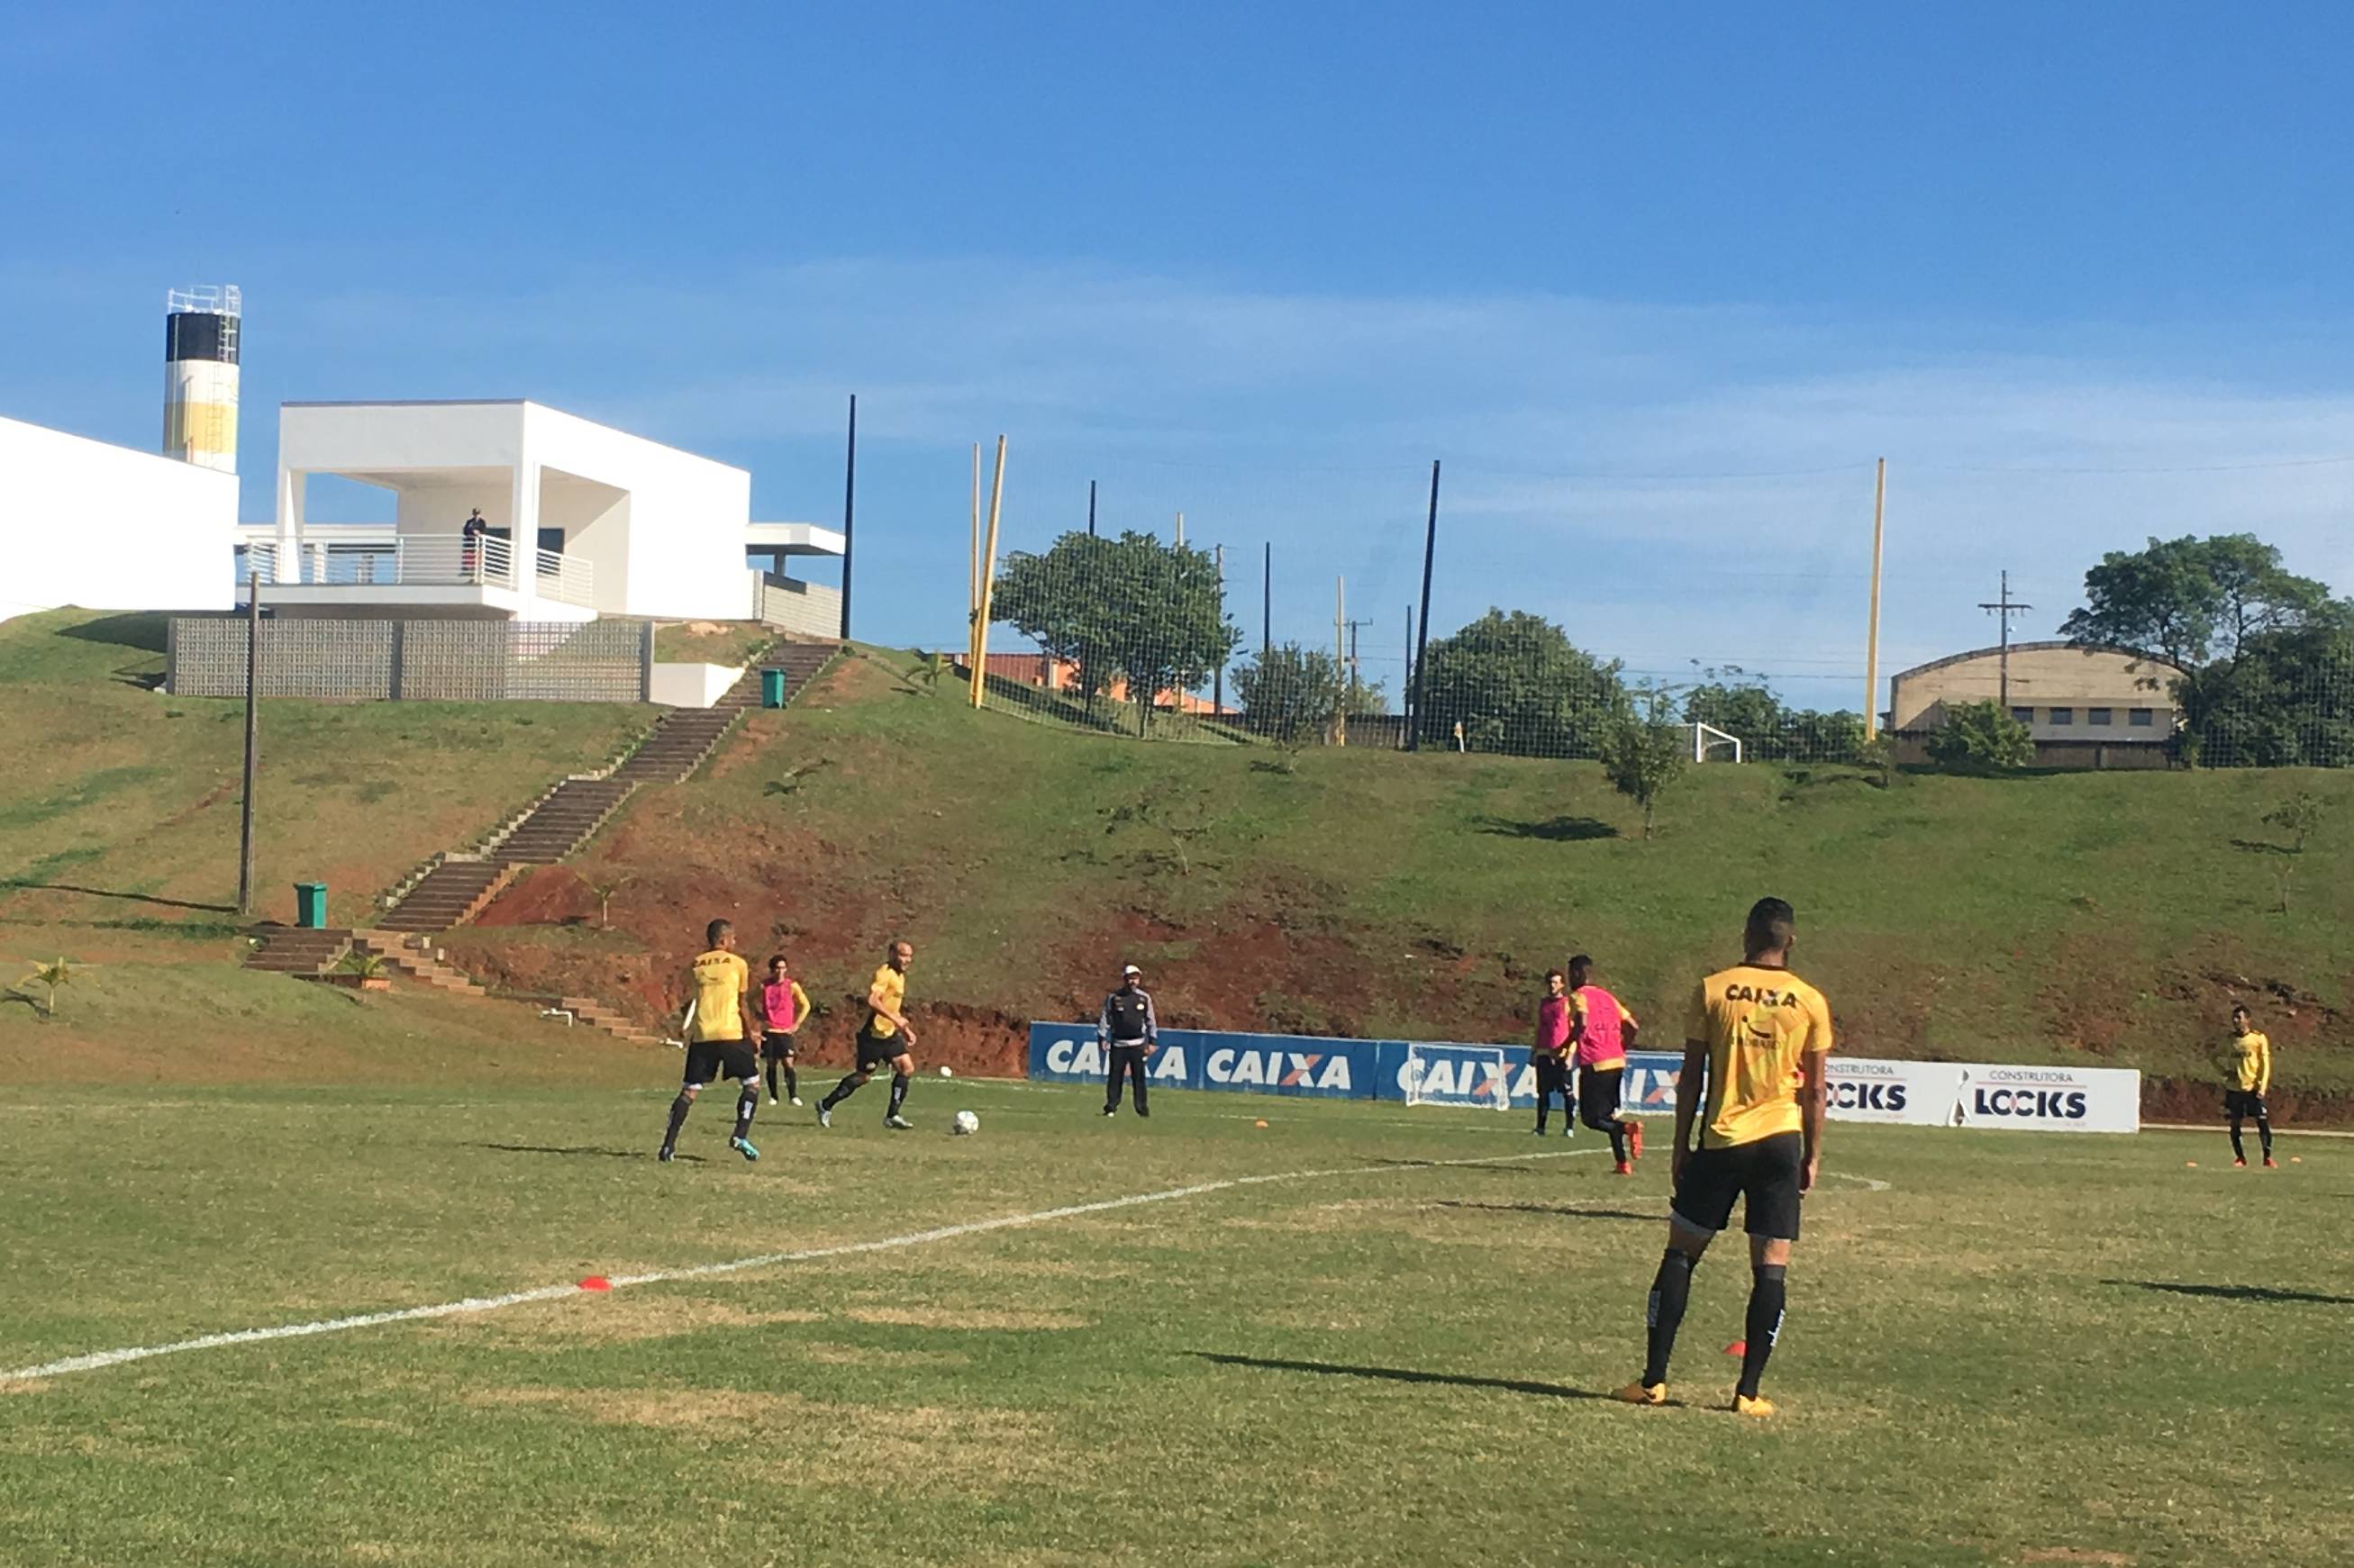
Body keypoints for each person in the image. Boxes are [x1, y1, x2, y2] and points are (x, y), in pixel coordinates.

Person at [1618, 897, 1831, 1418]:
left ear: (1746, 934)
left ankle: (1653, 1382)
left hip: (1721, 1139)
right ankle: (1748, 1393)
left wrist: (1680, 1144)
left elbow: (1692, 1075)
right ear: (1791, 941)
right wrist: (1812, 1154)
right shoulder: (1810, 1000)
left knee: (1681, 1254)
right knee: (1771, 1269)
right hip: (1781, 1140)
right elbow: (1817, 1089)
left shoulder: (1713, 989)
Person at [659, 918, 765, 1164]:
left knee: (689, 1090)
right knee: (751, 1084)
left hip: (703, 1035)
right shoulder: (738, 964)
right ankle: (740, 1135)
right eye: (733, 938)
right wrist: (752, 1035)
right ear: (723, 939)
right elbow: (740, 1005)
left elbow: (694, 997)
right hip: (731, 1032)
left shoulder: (696, 964)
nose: (735, 942)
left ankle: (668, 1145)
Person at [816, 938, 916, 1129]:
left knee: (906, 1068)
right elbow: (873, 1000)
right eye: (903, 955)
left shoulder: (900, 976)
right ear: (892, 954)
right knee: (863, 1077)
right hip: (874, 1035)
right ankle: (825, 1104)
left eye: (910, 956)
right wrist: (897, 1021)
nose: (907, 960)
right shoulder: (884, 973)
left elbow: (891, 1006)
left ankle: (892, 1116)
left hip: (890, 1034)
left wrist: (905, 1029)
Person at [1569, 953, 1645, 1174]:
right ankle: (1622, 1163)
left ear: (1576, 973)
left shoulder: (1578, 996)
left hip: (1595, 1062)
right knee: (1608, 1116)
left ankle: (1628, 1128)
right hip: (1617, 1061)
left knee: (1591, 1119)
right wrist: (1623, 1046)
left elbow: (1582, 1023)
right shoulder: (1607, 997)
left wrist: (1565, 1044)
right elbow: (1633, 1025)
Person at [1099, 963, 1159, 1119]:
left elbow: (1150, 1020)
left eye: (1136, 978)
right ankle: (1111, 1106)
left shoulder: (1144, 998)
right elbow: (1105, 1017)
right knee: (1115, 1077)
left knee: (1139, 1078)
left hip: (1137, 1045)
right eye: (1130, 978)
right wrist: (1102, 1037)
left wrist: (1152, 1041)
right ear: (1124, 979)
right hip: (1118, 1044)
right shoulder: (1114, 998)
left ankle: (1142, 1109)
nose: (1133, 981)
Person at [2223, 1003, 2276, 1169]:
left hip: (2253, 1089)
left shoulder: (2258, 1039)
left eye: (2239, 1017)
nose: (2235, 1020)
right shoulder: (2230, 1040)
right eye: (2234, 1017)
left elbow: (2265, 1064)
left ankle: (2267, 1157)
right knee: (2235, 1123)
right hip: (2234, 1089)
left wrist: (2262, 1086)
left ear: (2248, 1020)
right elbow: (2212, 1055)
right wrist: (2224, 1072)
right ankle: (2240, 1157)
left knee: (2262, 1122)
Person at [760, 953, 812, 1108]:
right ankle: (773, 1097)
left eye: (783, 968)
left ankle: (793, 1096)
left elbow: (806, 1005)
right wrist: (757, 1015)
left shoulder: (792, 986)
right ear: (772, 970)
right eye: (777, 968)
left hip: (785, 1031)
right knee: (770, 1064)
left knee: (788, 1063)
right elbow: (749, 999)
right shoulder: (764, 986)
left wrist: (796, 1024)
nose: (780, 971)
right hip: (770, 1030)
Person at [1530, 969, 1575, 1137]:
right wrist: (1534, 1051)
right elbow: (1540, 1028)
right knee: (1543, 1092)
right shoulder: (1544, 1003)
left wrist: (1570, 1055)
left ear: (1562, 985)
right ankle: (1540, 1127)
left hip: (1561, 1054)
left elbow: (1574, 1030)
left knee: (1567, 1093)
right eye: (1550, 982)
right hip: (1544, 1052)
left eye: (1556, 982)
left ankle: (1569, 1127)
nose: (1552, 985)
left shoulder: (1567, 1003)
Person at [460, 508, 488, 578]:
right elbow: (465, 531)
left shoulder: (482, 522)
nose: (476, 515)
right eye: (475, 514)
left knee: (477, 562)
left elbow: (483, 531)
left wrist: (478, 532)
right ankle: (472, 577)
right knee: (470, 562)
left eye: (477, 514)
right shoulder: (469, 522)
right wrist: (473, 531)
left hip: (478, 545)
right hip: (470, 545)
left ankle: (477, 577)